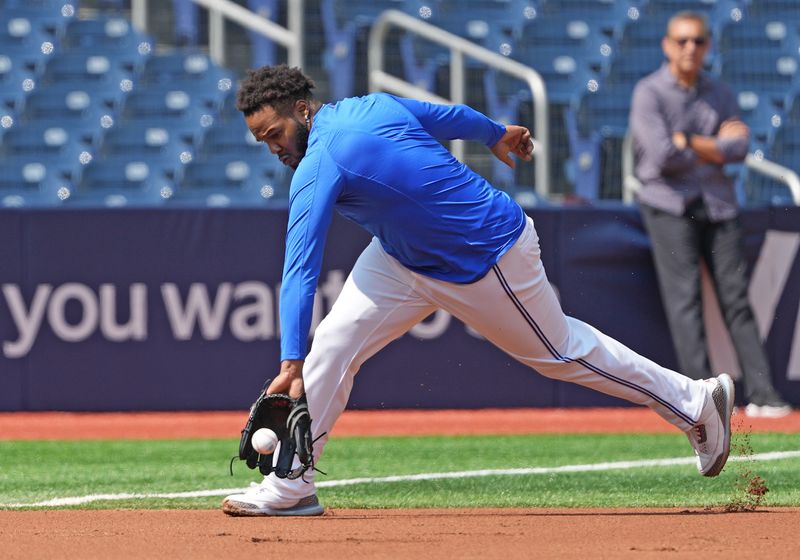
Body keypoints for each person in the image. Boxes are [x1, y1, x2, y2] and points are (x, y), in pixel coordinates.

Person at [223, 64, 734, 517]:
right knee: (333, 346)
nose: (274, 147)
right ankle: (294, 485)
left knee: (561, 354)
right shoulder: (371, 104)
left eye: (275, 132)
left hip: (486, 255)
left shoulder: (318, 163)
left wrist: (288, 363)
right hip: (403, 258)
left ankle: (695, 401)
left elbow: (301, 269)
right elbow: (448, 117)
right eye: (262, 140)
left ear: (303, 110)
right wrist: (495, 134)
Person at [630, 11, 791, 419]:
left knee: (737, 301)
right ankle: (702, 403)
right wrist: (711, 147)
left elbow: (738, 149)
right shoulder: (648, 92)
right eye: (682, 41)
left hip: (719, 207)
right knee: (684, 303)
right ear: (667, 45)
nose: (690, 48)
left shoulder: (719, 92)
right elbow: (661, 155)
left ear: (708, 46)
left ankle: (765, 395)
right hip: (669, 207)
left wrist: (688, 141)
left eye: (698, 41)